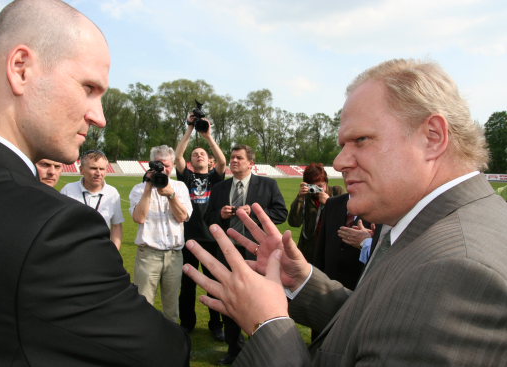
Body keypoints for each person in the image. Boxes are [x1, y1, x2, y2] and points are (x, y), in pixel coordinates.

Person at [183, 59, 507, 366]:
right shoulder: (426, 226)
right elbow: (379, 323)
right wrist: (302, 282)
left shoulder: (458, 270)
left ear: (432, 137)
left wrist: (268, 323)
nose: (339, 162)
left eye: (361, 140)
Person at [0, 1, 189, 365]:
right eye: (89, 88)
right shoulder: (52, 229)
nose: (99, 117)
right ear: (21, 68)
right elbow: (163, 354)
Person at [204, 144, 288, 364]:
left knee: (258, 301)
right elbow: (208, 218)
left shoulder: (268, 185)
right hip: (228, 252)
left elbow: (281, 213)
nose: (233, 161)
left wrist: (256, 213)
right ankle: (235, 350)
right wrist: (221, 215)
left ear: (251, 163)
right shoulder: (221, 188)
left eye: (239, 158)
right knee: (230, 299)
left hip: (256, 253)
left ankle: (260, 348)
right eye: (232, 158)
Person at [175, 114, 227, 341]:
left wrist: (208, 137)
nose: (198, 155)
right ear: (191, 161)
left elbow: (224, 162)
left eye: (202, 154)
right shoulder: (185, 177)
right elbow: (177, 156)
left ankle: (216, 325)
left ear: (209, 161)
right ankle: (187, 323)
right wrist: (189, 129)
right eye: (195, 154)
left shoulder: (216, 178)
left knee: (214, 285)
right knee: (187, 285)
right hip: (189, 239)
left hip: (211, 239)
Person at [129, 145, 193, 323]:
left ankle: (171, 346)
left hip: (174, 255)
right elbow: (139, 218)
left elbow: (182, 217)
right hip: (148, 255)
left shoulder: (180, 187)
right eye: (158, 165)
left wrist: (171, 195)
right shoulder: (139, 188)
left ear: (172, 165)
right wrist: (149, 187)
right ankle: (145, 346)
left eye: (167, 165)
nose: (163, 169)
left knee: (172, 309)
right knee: (144, 305)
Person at [61, 150, 124, 250]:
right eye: (93, 168)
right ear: (81, 170)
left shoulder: (112, 193)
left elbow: (116, 226)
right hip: (74, 251)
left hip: (101, 251)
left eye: (102, 169)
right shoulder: (68, 190)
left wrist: (114, 252)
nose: (98, 173)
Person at [287, 163, 344, 263]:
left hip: (330, 247)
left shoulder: (337, 192)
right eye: (312, 186)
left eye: (320, 186)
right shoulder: (305, 197)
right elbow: (294, 223)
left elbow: (345, 220)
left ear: (326, 182)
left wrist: (329, 203)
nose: (316, 190)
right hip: (308, 250)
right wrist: (300, 198)